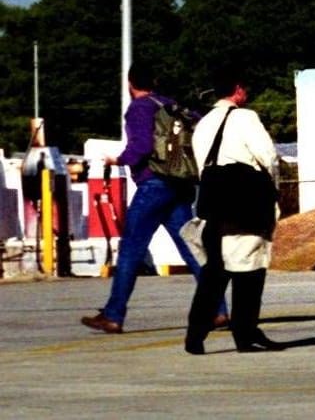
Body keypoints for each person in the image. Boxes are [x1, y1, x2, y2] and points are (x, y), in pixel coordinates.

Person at [82, 68, 224, 335]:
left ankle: (113, 316)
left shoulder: (139, 108)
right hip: (180, 184)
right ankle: (219, 310)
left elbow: (142, 146)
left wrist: (118, 160)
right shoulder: (173, 105)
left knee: (131, 250)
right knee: (191, 249)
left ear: (131, 83)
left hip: (153, 185)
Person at [184, 68, 281, 354]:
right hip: (245, 206)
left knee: (214, 273)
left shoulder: (203, 124)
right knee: (249, 270)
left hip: (214, 206)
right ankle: (245, 332)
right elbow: (268, 156)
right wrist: (271, 192)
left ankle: (195, 335)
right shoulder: (245, 117)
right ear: (238, 89)